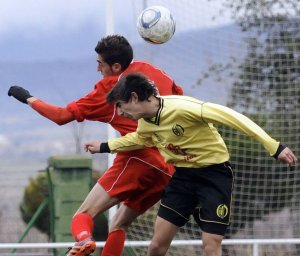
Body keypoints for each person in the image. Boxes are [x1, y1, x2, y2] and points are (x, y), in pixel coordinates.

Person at [85, 73, 297, 256]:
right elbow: (139, 139)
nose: (120, 113)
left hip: (215, 176)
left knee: (210, 246)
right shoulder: (145, 124)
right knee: (156, 247)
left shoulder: (185, 108)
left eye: (120, 106)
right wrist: (105, 146)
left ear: (133, 97)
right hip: (183, 179)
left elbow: (235, 118)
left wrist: (274, 146)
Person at [8, 35, 183, 256]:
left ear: (116, 66)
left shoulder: (110, 91)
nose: (98, 68)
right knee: (119, 224)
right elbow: (179, 96)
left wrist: (28, 98)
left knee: (82, 216)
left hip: (138, 158)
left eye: (100, 63)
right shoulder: (151, 71)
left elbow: (61, 116)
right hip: (169, 165)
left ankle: (84, 241)